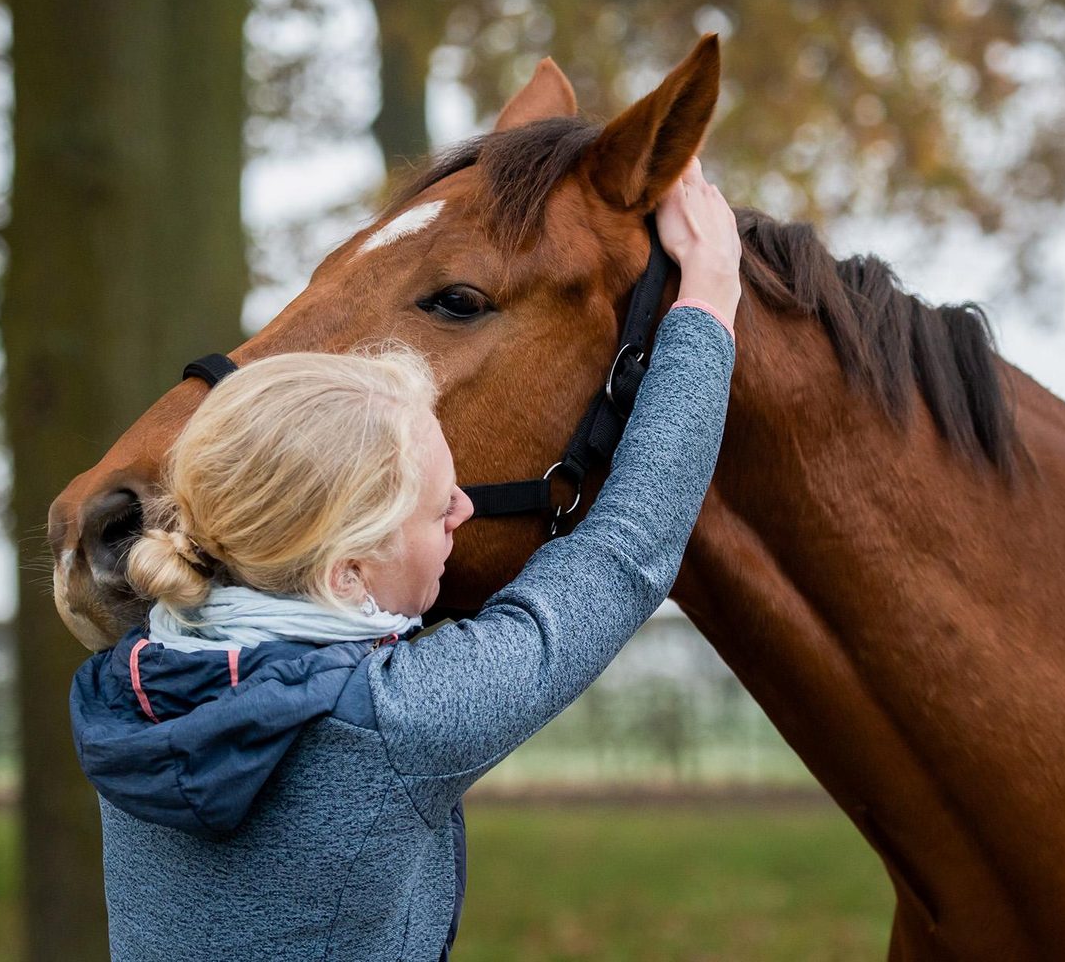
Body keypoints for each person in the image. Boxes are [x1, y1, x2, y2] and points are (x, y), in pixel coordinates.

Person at [68, 157, 742, 961]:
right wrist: (710, 295)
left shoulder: (126, 692)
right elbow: (626, 549)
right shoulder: (397, 726)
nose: (461, 509)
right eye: (434, 505)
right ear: (344, 574)